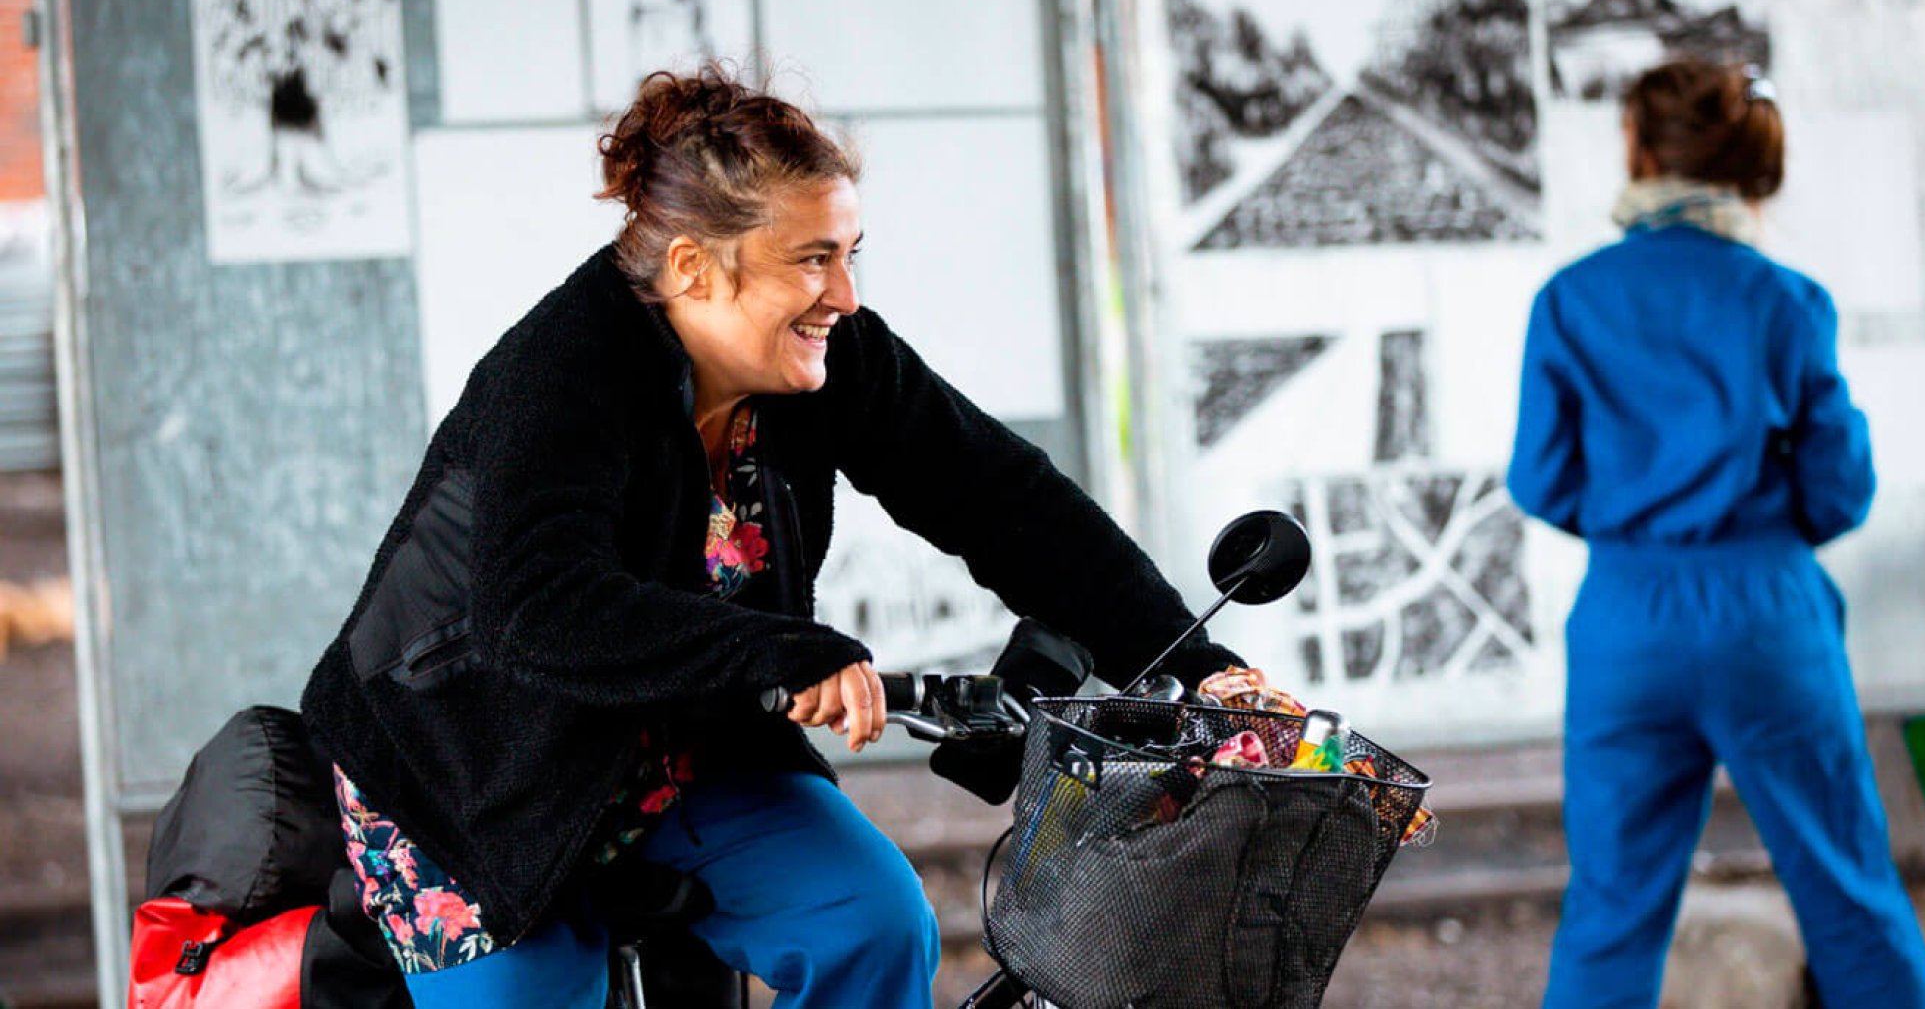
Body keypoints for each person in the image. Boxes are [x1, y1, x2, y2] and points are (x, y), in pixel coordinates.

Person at [299, 68, 1242, 1008]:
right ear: (693, 269)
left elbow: (1005, 501)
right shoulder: (560, 374)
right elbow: (537, 609)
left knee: (871, 921)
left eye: (850, 254)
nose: (846, 295)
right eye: (812, 259)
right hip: (467, 778)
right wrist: (787, 654)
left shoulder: (830, 362)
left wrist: (1199, 668)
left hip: (675, 749)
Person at [1508, 58, 1925, 1008]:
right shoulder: (1786, 299)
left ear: (1641, 146)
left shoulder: (1571, 299)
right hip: (1767, 609)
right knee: (1849, 890)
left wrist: (1637, 527)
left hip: (1628, 609)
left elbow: (1540, 479)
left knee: (1613, 907)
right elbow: (1840, 488)